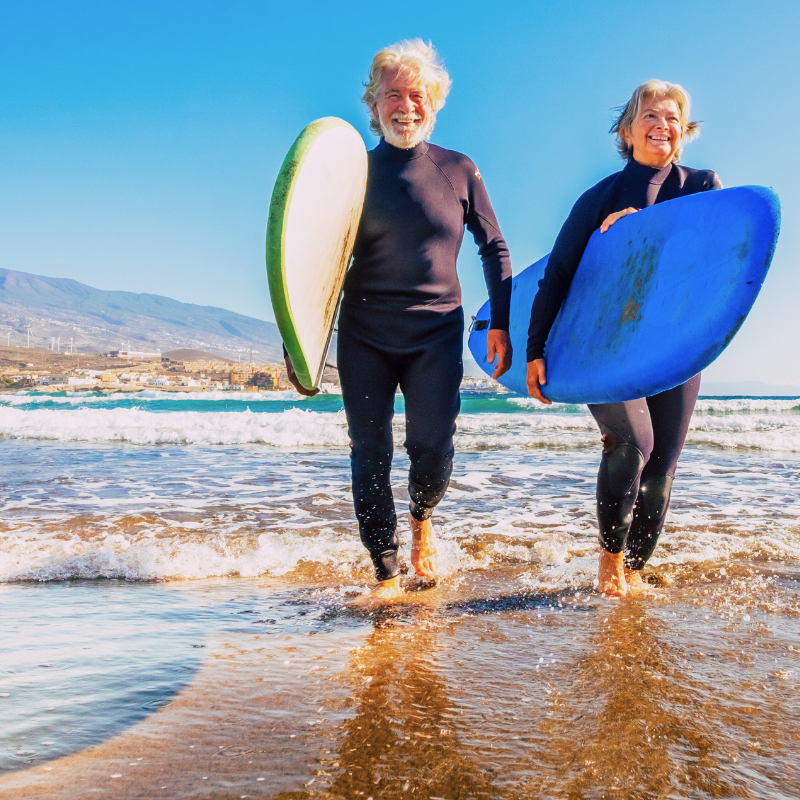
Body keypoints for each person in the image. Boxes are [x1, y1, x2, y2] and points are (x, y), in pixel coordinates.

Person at [285, 40, 512, 607]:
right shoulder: (354, 173)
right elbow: (314, 259)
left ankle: (421, 516)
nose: (405, 106)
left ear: (433, 101)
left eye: (416, 95)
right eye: (393, 95)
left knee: (432, 449)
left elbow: (494, 248)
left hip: (436, 333)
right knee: (370, 451)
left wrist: (504, 324)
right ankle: (386, 573)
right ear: (375, 104)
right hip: (366, 331)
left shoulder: (459, 169)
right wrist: (299, 340)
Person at [525, 80, 721, 597]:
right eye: (650, 116)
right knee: (633, 442)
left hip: (673, 344)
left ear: (684, 131)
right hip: (604, 343)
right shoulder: (600, 198)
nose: (663, 125)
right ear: (627, 131)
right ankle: (610, 563)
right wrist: (535, 351)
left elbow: (716, 264)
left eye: (673, 117)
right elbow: (560, 274)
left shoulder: (702, 186)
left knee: (662, 466)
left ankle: (634, 572)